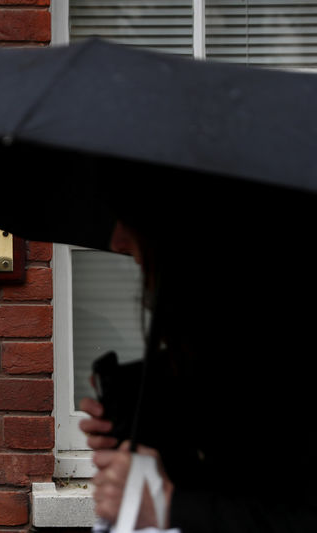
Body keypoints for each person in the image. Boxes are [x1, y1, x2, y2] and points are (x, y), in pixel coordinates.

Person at [79, 174, 317, 532]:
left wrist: (171, 506)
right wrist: (142, 423)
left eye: (130, 219)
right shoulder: (221, 341)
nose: (116, 241)